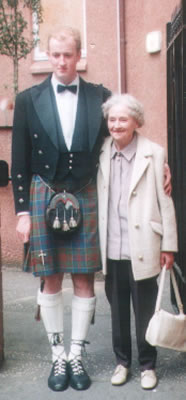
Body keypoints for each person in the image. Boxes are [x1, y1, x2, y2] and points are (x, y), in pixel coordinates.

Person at [11, 27, 111, 392]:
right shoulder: (27, 99)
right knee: (51, 277)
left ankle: (76, 355)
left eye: (67, 55)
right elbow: (19, 159)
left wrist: (158, 161)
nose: (61, 62)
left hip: (84, 192)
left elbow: (122, 135)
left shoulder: (101, 97)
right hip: (43, 194)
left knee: (84, 279)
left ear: (78, 55)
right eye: (54, 55)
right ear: (49, 55)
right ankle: (57, 356)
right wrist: (23, 212)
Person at [97, 93, 178, 390]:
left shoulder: (154, 153)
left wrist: (169, 245)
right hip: (113, 245)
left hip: (143, 244)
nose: (117, 125)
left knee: (145, 308)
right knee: (117, 309)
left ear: (136, 122)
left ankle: (147, 365)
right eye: (112, 119)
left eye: (123, 119)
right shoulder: (102, 151)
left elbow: (165, 202)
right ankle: (122, 362)